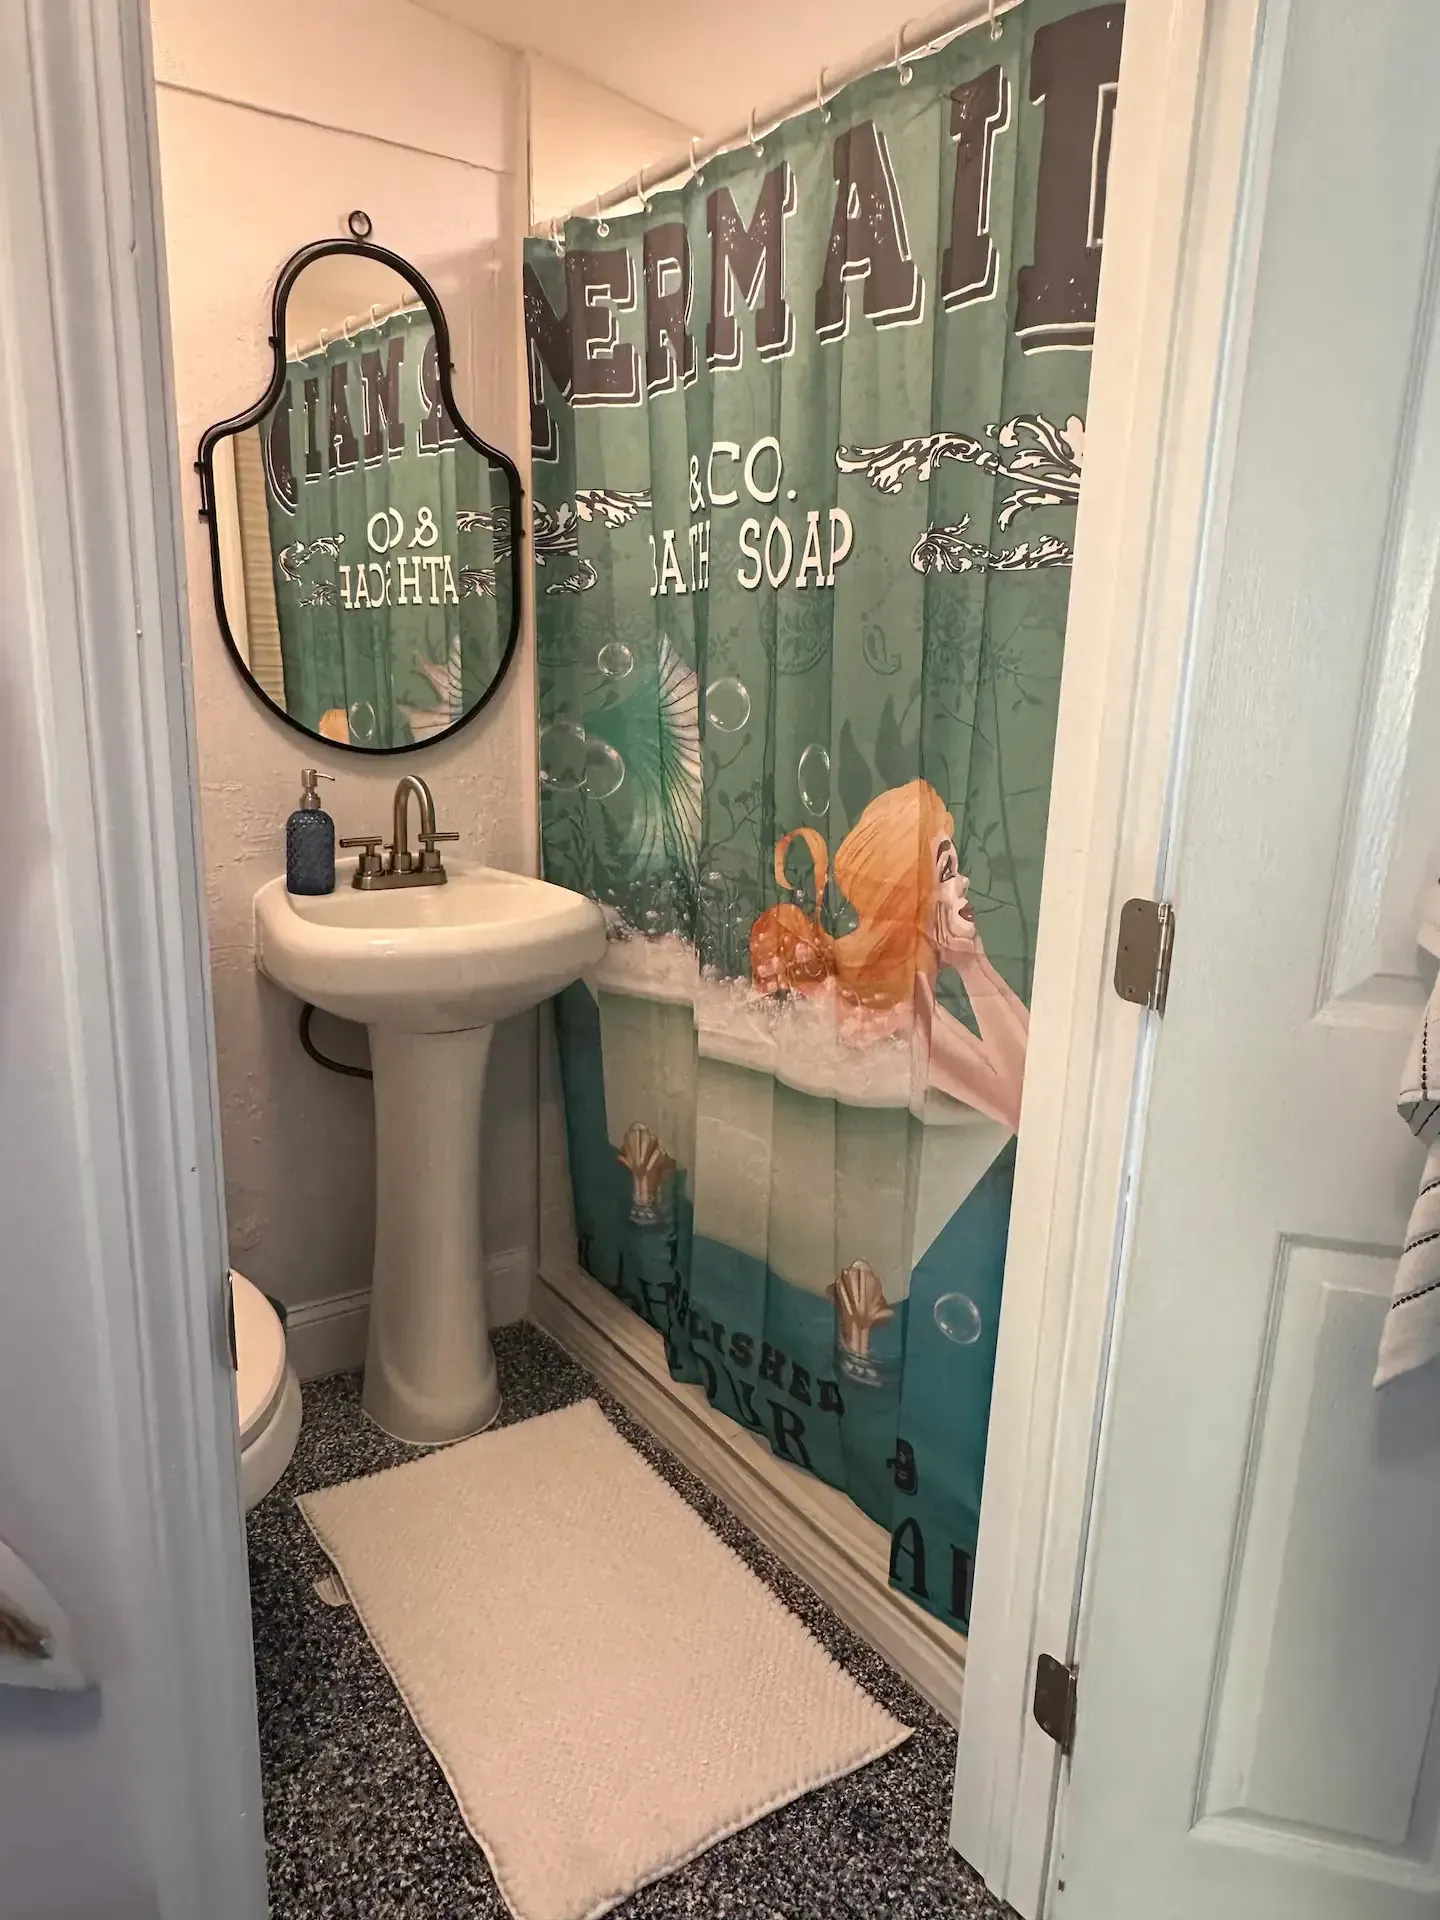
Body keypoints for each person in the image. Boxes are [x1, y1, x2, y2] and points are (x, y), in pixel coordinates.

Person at [749, 778, 1029, 1132]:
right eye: (947, 871)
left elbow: (1039, 1079)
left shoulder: (906, 996)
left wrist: (976, 962)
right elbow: (1028, 1110)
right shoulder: (899, 1018)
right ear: (909, 898)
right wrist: (973, 967)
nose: (963, 882)